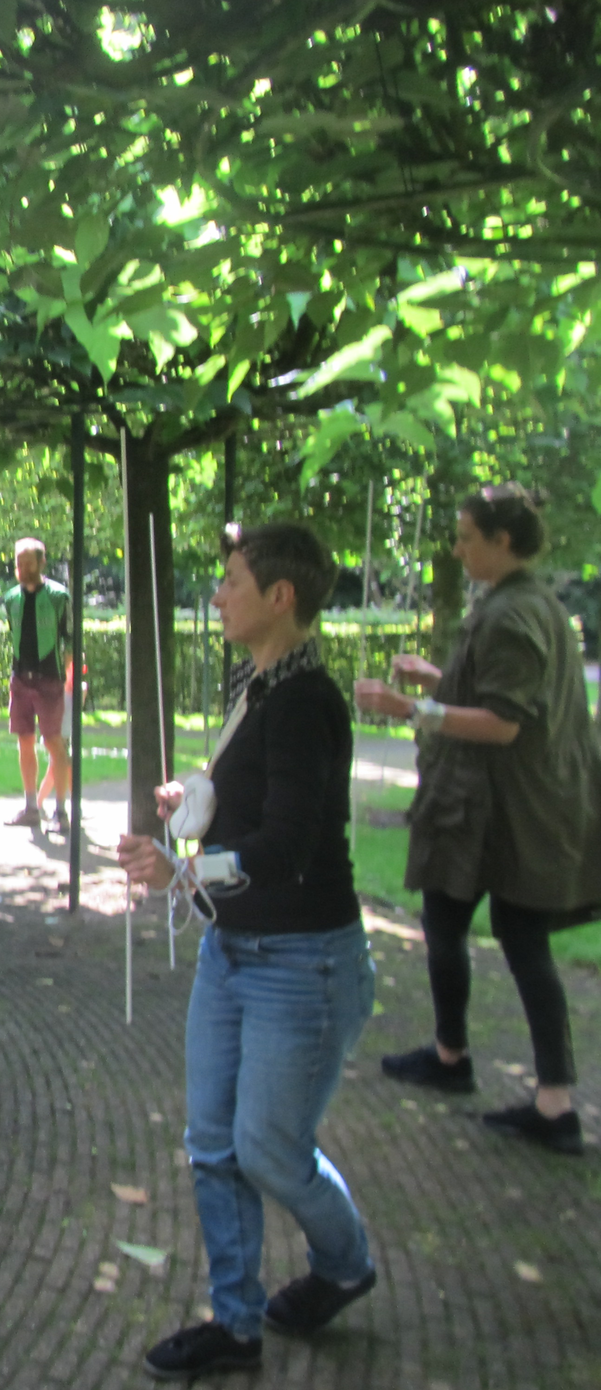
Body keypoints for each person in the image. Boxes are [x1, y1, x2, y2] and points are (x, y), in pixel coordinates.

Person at [119, 522, 377, 1381]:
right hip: (232, 952)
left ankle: (344, 1262)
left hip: (302, 964)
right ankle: (234, 1325)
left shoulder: (305, 702)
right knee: (211, 1143)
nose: (218, 594)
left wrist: (181, 870)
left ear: (280, 596)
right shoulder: (260, 685)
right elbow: (248, 799)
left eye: (232, 580)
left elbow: (290, 845)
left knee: (268, 1150)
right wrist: (194, 799)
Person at [358, 485, 599, 1156]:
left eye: (467, 537)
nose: (458, 549)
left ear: (502, 541)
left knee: (507, 936)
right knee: (462, 925)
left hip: (500, 810)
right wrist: (436, 678)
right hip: (509, 805)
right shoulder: (531, 604)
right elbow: (499, 695)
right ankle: (460, 1058)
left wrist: (408, 709)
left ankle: (543, 1100)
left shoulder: (511, 616)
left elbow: (503, 723)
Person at [3, 537, 73, 834]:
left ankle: (61, 811)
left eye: (28, 563)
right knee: (24, 740)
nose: (22, 569)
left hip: (50, 679)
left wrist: (67, 676)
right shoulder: (11, 599)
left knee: (54, 742)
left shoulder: (58, 597)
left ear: (41, 563)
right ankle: (31, 807)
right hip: (20, 678)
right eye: (19, 564)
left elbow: (70, 639)